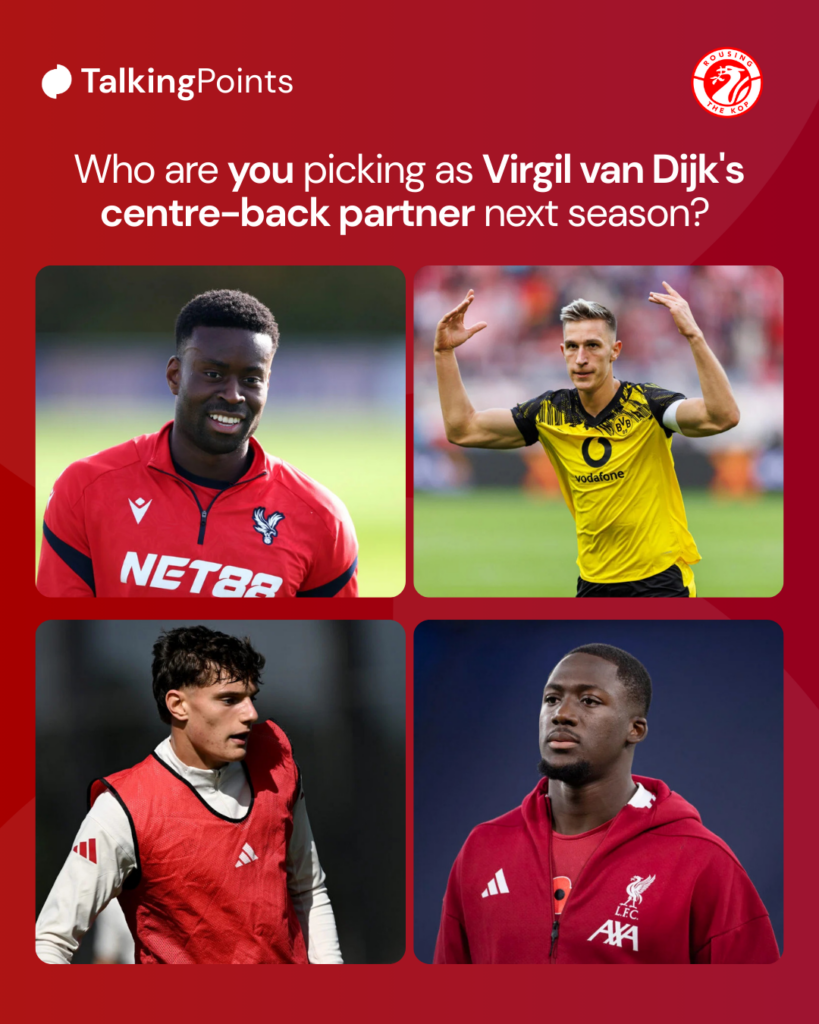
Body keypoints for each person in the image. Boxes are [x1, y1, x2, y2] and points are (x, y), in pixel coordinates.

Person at [433, 644, 778, 964]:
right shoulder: (484, 848)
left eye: (589, 701)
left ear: (635, 729)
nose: (561, 714)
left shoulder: (701, 861)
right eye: (552, 699)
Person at [36, 626, 343, 964]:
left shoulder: (277, 765)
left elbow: (308, 890)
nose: (251, 714)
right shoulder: (122, 809)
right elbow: (51, 942)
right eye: (229, 699)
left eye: (251, 698)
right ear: (178, 705)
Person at [37, 289, 358, 597]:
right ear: (175, 376)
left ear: (267, 385)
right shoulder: (85, 489)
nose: (233, 395)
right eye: (213, 374)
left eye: (251, 380)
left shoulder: (322, 519)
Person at [434, 284, 740, 596]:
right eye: (572, 346)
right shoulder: (549, 413)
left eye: (593, 346)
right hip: (593, 583)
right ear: (562, 352)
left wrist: (694, 336)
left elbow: (722, 416)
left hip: (660, 581)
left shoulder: (648, 404)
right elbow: (463, 429)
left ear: (615, 350)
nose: (581, 358)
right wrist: (444, 353)